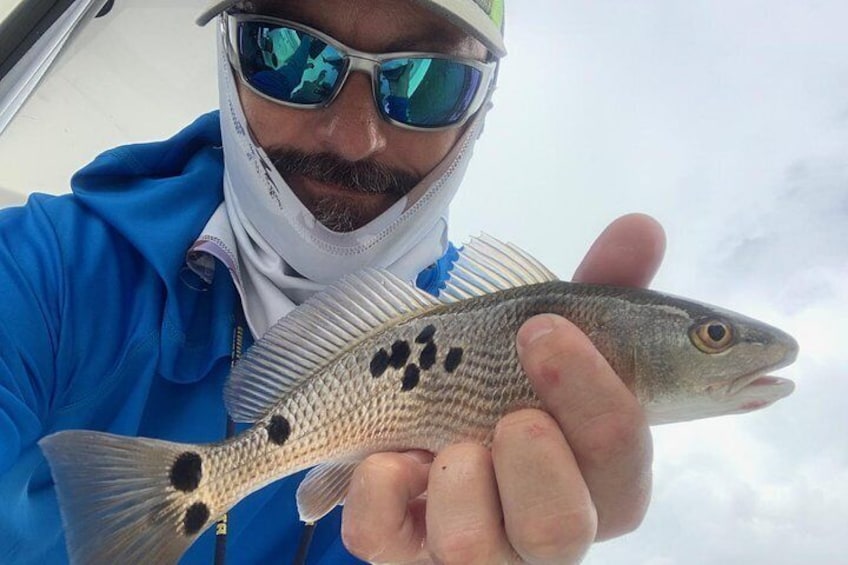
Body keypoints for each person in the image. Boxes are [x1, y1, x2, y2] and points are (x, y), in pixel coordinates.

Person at [0, 0, 665, 563]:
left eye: (428, 82)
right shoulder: (42, 267)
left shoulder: (497, 391)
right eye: (288, 54)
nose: (354, 135)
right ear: (230, 54)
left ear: (479, 110)